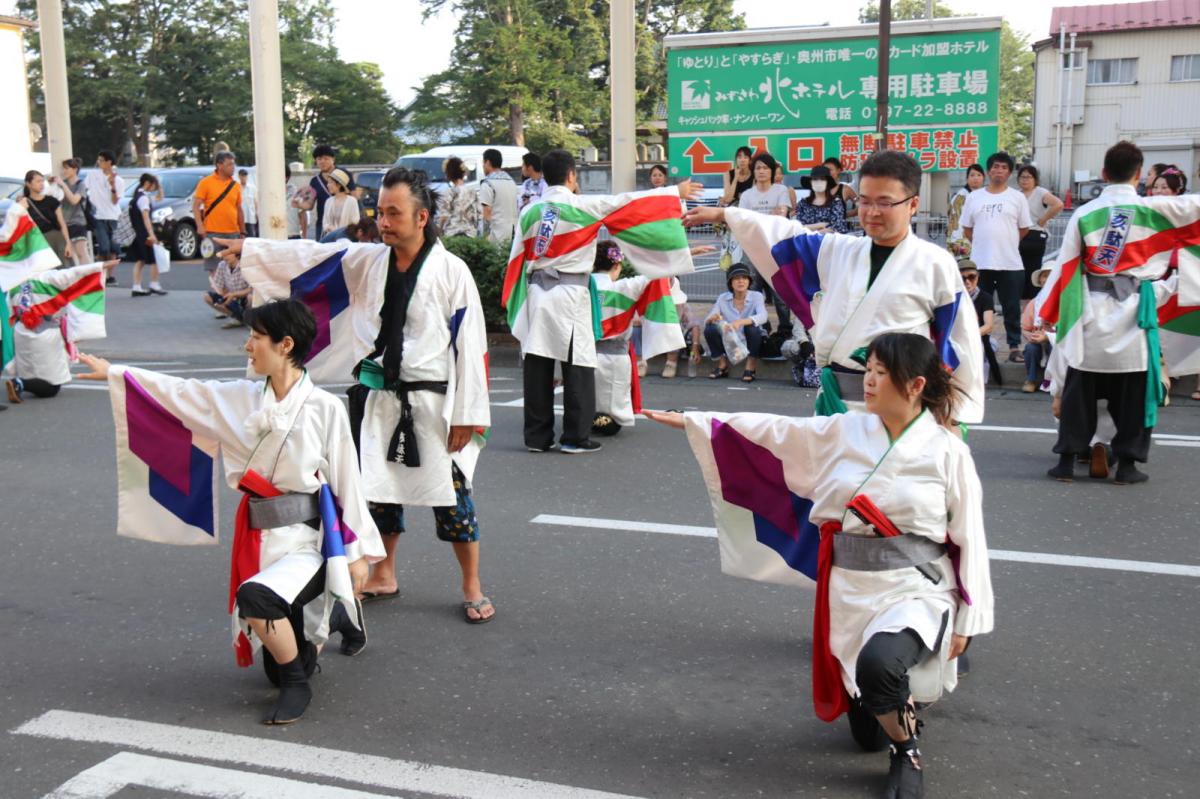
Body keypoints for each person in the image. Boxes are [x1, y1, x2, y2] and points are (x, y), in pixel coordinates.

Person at [644, 332, 994, 799]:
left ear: (914, 385)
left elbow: (971, 536)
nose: (866, 382)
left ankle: (907, 751)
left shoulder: (948, 451)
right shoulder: (844, 430)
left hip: (916, 587)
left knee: (879, 666)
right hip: (849, 588)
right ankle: (889, 709)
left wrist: (968, 622)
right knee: (867, 721)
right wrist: (698, 423)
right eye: (866, 370)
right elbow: (773, 432)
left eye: (880, 373)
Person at [77, 299, 385, 725]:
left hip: (307, 541)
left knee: (256, 602)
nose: (248, 346)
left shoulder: (324, 408)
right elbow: (182, 394)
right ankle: (320, 631)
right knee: (272, 662)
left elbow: (348, 481)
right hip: (260, 537)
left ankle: (300, 681)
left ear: (285, 344)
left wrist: (358, 556)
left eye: (257, 338)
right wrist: (117, 373)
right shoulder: (239, 399)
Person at [219, 167, 495, 623]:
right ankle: (385, 572)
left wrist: (467, 414)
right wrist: (251, 250)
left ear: (422, 217)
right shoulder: (369, 260)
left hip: (432, 404)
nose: (383, 221)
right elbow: (311, 258)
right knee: (377, 493)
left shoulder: (452, 271)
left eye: (394, 213)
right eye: (380, 212)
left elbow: (471, 345)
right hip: (379, 399)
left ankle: (472, 584)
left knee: (453, 499)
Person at [686, 150, 985, 424]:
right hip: (833, 403)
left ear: (913, 204)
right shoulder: (839, 250)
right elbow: (785, 235)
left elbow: (958, 341)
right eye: (865, 201)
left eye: (885, 202)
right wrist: (726, 215)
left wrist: (952, 417)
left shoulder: (935, 263)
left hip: (899, 409)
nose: (871, 212)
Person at [504, 148, 700, 454]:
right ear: (571, 176)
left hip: (538, 293)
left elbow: (516, 258)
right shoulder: (584, 206)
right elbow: (628, 203)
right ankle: (574, 438)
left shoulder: (530, 212)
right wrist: (674, 192)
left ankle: (537, 438)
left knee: (538, 364)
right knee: (578, 363)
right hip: (571, 292)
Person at [1036, 141, 1200, 484]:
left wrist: (1046, 312)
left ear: (1104, 173)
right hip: (1137, 310)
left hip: (1092, 311)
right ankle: (1127, 466)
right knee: (1133, 396)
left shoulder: (1085, 213)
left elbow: (1066, 267)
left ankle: (1066, 461)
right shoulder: (1157, 209)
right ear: (1139, 174)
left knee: (1079, 391)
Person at [960, 152, 1032, 362]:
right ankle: (977, 345)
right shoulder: (974, 197)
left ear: (1009, 173)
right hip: (980, 263)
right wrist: (984, 245)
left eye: (1003, 167)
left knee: (1011, 307)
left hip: (1010, 262)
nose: (999, 171)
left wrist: (1005, 243)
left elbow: (1024, 228)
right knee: (979, 305)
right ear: (988, 170)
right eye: (995, 167)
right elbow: (967, 229)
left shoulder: (1017, 197)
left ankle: (1013, 347)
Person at [4, 262, 111, 405]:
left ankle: (23, 381)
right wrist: (100, 266)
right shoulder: (47, 278)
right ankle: (19, 383)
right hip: (46, 332)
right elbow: (73, 275)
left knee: (30, 370)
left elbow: (9, 309)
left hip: (21, 331)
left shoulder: (16, 282)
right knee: (51, 387)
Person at [737, 151, 794, 335]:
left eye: (765, 168)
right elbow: (742, 222)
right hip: (752, 250)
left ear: (772, 171)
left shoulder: (780, 190)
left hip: (776, 250)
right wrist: (768, 216)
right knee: (752, 290)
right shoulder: (746, 195)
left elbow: (781, 216)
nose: (761, 171)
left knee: (781, 293)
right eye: (758, 168)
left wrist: (757, 219)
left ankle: (785, 329)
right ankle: (758, 328)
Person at [703, 264, 767, 382]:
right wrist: (714, 318)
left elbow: (763, 316)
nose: (741, 281)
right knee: (710, 328)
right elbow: (707, 319)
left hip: (751, 340)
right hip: (730, 341)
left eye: (744, 278)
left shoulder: (757, 296)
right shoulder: (723, 298)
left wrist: (741, 322)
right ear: (730, 283)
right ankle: (722, 365)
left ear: (749, 281)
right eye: (737, 278)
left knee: (752, 327)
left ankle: (750, 366)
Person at [1017, 165, 1064, 301]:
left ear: (1035, 179)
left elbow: (1058, 204)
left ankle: (1033, 301)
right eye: (1022, 177)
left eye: (1028, 177)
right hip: (1020, 235)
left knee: (1033, 270)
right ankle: (1024, 302)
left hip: (1035, 234)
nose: (1025, 180)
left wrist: (1043, 220)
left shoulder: (1040, 192)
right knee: (1019, 271)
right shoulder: (1017, 194)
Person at [193, 151, 244, 273]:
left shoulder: (235, 185)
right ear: (219, 165)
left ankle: (231, 292)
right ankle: (218, 291)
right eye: (229, 164)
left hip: (233, 233)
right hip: (213, 232)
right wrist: (200, 226)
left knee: (235, 267)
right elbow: (196, 206)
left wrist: (242, 230)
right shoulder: (206, 182)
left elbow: (239, 209)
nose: (233, 167)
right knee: (214, 267)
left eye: (233, 164)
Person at [84, 149, 125, 284]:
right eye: (99, 160)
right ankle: (99, 274)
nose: (99, 162)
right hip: (98, 216)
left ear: (109, 162)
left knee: (113, 249)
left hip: (114, 216)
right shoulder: (92, 175)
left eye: (101, 160)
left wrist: (112, 185)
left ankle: (109, 276)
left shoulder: (118, 180)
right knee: (104, 247)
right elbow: (84, 190)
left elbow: (115, 201)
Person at [958, 261, 1001, 386]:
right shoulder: (952, 296)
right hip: (957, 338)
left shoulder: (985, 297)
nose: (967, 281)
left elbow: (988, 326)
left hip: (978, 338)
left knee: (978, 349)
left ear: (977, 277)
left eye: (971, 277)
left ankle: (978, 383)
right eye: (962, 278)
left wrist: (968, 336)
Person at [18, 170, 75, 266]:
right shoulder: (24, 203)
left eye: (42, 181)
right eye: (38, 181)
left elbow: (62, 224)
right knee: (45, 273)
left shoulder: (52, 201)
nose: (41, 184)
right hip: (38, 242)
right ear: (28, 184)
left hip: (57, 239)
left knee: (63, 271)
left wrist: (68, 243)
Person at [298, 144, 353, 236]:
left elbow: (354, 197)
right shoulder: (314, 181)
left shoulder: (344, 174)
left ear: (333, 160)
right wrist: (298, 202)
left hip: (345, 224)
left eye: (326, 158)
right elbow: (310, 205)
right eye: (319, 159)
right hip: (323, 225)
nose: (322, 161)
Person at [128, 173, 167, 298]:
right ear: (147, 183)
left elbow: (159, 197)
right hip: (145, 234)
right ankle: (154, 284)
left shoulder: (137, 196)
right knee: (154, 258)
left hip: (138, 233)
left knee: (141, 260)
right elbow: (146, 218)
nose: (154, 188)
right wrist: (152, 235)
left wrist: (159, 188)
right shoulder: (143, 198)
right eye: (153, 185)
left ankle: (137, 286)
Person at [55, 158, 92, 265]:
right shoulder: (61, 184)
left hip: (78, 222)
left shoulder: (80, 184)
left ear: (75, 169)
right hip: (64, 224)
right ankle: (79, 278)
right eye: (63, 169)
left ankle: (89, 276)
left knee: (81, 252)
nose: (64, 171)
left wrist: (63, 185)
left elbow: (74, 200)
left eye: (67, 168)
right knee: (71, 254)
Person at [478, 148, 518, 244]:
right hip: (514, 231)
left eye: (483, 163)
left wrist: (485, 237)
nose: (483, 166)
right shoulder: (511, 181)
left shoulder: (488, 184)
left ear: (487, 162)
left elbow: (487, 212)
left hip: (497, 234)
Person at [946, 164, 985, 259]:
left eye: (979, 175)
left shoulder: (984, 195)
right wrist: (956, 244)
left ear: (983, 178)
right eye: (972, 175)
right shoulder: (960, 197)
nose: (976, 178)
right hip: (963, 244)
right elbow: (955, 223)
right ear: (967, 179)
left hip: (980, 243)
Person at [795, 165, 849, 234]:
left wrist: (809, 228)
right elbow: (798, 229)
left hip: (830, 243)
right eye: (815, 179)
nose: (819, 182)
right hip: (807, 244)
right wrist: (819, 226)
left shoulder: (836, 202)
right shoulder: (802, 204)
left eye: (822, 179)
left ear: (827, 183)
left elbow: (839, 227)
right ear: (810, 182)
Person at [435, 156, 479, 238]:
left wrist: (439, 231)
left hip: (452, 234)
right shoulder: (472, 192)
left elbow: (444, 216)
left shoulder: (448, 192)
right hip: (470, 234)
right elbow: (477, 215)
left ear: (449, 173)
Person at [205, 253, 252, 327]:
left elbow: (252, 288)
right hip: (230, 296)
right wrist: (221, 293)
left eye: (228, 254)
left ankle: (250, 318)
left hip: (244, 296)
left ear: (237, 255)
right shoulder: (222, 265)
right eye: (224, 254)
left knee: (250, 297)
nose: (225, 257)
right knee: (207, 297)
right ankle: (238, 318)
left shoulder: (246, 265)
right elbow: (219, 286)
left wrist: (234, 294)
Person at [319, 169, 360, 240]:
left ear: (339, 185)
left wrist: (340, 231)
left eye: (330, 182)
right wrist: (330, 228)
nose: (328, 185)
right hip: (330, 240)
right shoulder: (328, 201)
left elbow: (355, 222)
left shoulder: (352, 201)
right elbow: (325, 222)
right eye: (328, 182)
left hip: (347, 240)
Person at [285, 164, 307, 240]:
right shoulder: (267, 196)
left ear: (286, 177)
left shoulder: (297, 193)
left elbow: (302, 216)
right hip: (274, 236)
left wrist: (304, 237)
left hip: (293, 236)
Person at [238, 169, 259, 237]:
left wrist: (257, 213)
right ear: (239, 176)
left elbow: (256, 202)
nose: (243, 178)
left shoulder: (253, 188)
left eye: (245, 176)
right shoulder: (236, 188)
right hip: (240, 219)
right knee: (241, 238)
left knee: (252, 237)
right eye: (242, 176)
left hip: (250, 217)